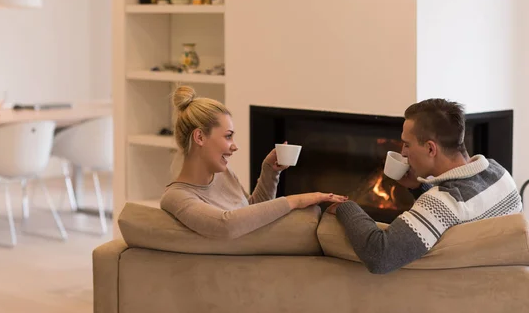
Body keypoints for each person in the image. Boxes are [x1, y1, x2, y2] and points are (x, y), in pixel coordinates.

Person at [328, 98, 522, 274]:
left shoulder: (442, 201)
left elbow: (380, 256)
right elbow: (454, 217)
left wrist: (346, 206)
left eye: (407, 144)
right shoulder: (500, 174)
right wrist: (418, 187)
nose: (403, 152)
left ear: (430, 148)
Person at [160, 86, 347, 239]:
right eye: (228, 136)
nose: (234, 146)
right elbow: (226, 225)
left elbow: (250, 213)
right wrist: (296, 200)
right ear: (200, 137)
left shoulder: (223, 174)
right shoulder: (177, 197)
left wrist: (269, 172)